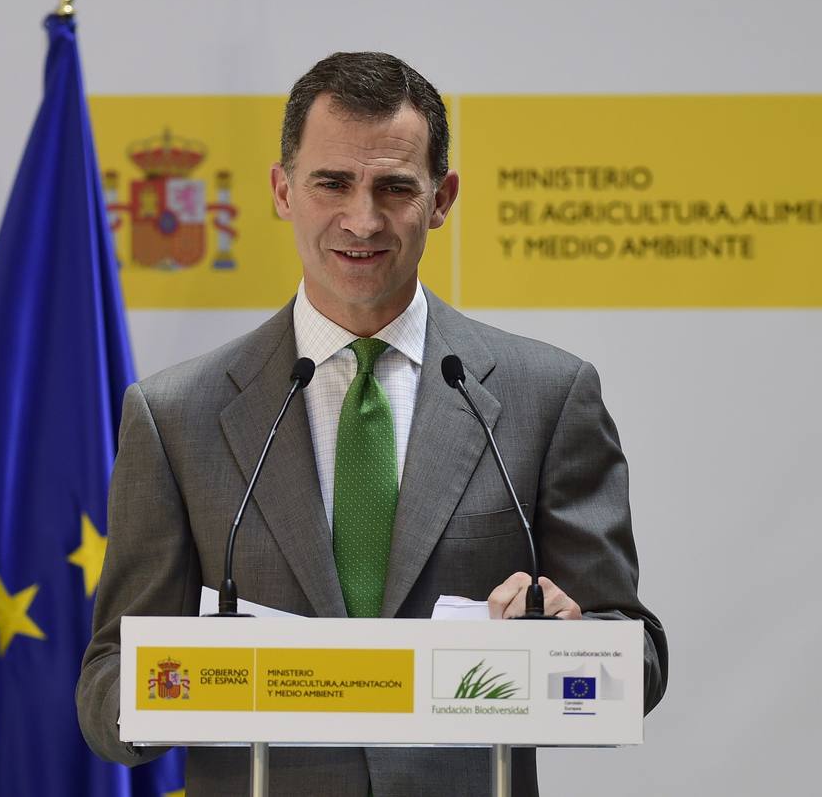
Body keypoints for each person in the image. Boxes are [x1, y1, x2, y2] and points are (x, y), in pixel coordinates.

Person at [77, 52, 667, 796]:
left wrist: (568, 648)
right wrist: (181, 682)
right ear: (283, 190)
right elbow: (104, 690)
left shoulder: (546, 397)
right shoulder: (175, 416)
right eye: (332, 183)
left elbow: (635, 663)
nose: (363, 219)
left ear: (442, 198)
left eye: (394, 187)